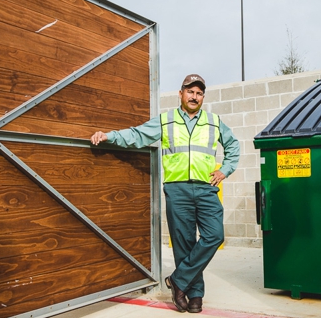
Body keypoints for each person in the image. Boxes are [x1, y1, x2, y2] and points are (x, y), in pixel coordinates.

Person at [90, 74, 239, 313]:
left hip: (206, 188)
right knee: (184, 243)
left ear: (203, 97)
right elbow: (137, 135)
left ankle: (178, 280)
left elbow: (233, 146)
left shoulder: (214, 121)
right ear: (180, 94)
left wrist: (225, 170)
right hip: (177, 189)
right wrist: (110, 136)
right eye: (190, 91)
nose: (194, 96)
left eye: (199, 93)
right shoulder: (165, 120)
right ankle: (195, 293)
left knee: (214, 235)